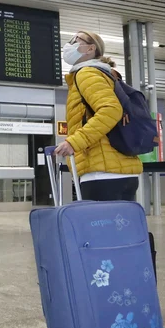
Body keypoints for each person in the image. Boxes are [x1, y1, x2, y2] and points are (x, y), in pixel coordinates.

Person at [55, 31, 142, 201]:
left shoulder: (87, 73)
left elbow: (111, 109)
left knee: (99, 227)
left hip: (102, 173)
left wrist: (74, 142)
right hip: (118, 170)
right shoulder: (104, 74)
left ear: (90, 48)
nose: (69, 44)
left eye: (75, 40)